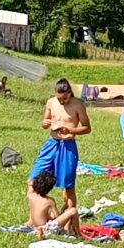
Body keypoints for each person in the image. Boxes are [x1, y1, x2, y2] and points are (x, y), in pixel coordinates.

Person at [30, 79, 92, 217]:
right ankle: (36, 216)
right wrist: (45, 123)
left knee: (68, 186)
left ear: (70, 93)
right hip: (52, 143)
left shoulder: (78, 105)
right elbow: (45, 122)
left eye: (64, 98)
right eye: (59, 98)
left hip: (68, 146)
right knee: (33, 180)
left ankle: (70, 221)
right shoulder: (51, 102)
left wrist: (71, 130)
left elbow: (87, 128)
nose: (62, 101)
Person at [27, 170, 81, 239]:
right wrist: (65, 207)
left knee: (51, 214)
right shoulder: (49, 201)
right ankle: (78, 235)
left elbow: (29, 183)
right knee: (73, 211)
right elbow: (57, 218)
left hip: (35, 227)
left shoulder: (31, 196)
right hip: (47, 229)